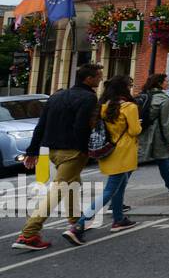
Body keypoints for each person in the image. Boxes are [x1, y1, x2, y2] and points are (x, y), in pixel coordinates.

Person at [12, 63, 103, 252]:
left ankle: (76, 222)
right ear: (88, 79)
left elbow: (41, 125)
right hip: (73, 151)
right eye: (98, 76)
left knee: (72, 184)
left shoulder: (56, 96)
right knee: (59, 188)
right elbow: (81, 127)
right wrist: (85, 150)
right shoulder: (88, 98)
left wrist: (32, 150)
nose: (100, 78)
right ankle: (29, 233)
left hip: (52, 149)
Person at [64, 75, 140, 244]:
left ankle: (119, 219)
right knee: (110, 190)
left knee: (119, 186)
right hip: (124, 153)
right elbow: (135, 130)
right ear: (124, 89)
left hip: (108, 150)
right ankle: (78, 226)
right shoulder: (129, 107)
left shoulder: (103, 107)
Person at [136, 73, 169, 197]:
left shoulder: (143, 95)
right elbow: (166, 122)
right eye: (165, 81)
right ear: (159, 83)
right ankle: (115, 201)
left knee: (160, 160)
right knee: (159, 159)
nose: (167, 83)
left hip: (140, 133)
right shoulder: (162, 98)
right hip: (156, 135)